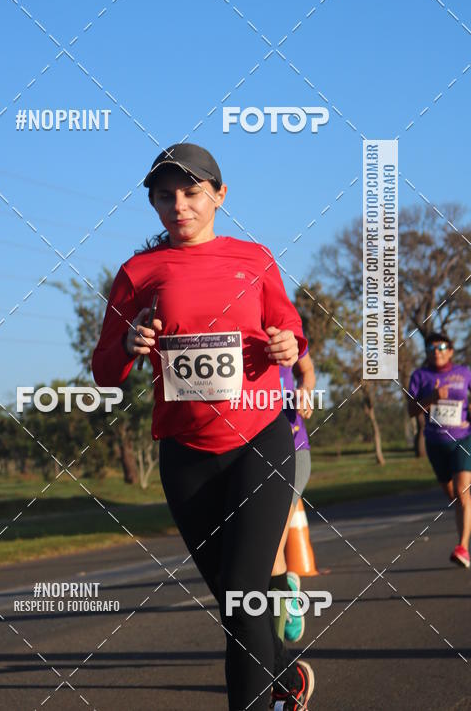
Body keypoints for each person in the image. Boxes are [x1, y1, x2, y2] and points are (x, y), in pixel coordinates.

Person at [92, 143, 315, 710]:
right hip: (186, 454)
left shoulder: (255, 258)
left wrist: (291, 343)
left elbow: (287, 327)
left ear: (219, 195)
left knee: (242, 598)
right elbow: (104, 371)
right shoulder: (138, 274)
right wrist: (128, 342)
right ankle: (287, 677)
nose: (179, 206)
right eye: (164, 196)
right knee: (238, 600)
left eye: (191, 192)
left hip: (261, 441)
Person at [408, 331, 471, 567]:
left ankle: (462, 547)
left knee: (463, 491)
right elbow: (410, 411)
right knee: (454, 496)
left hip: (463, 439)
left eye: (442, 346)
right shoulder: (420, 376)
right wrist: (431, 398)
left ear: (451, 351)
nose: (437, 351)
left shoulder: (464, 373)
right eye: (432, 348)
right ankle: (466, 521)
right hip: (435, 443)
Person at [270, 352, 316, 643]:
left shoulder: (283, 323)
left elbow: (307, 370)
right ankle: (286, 585)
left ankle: (272, 661)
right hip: (245, 457)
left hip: (293, 450)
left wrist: (306, 391)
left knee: (272, 544)